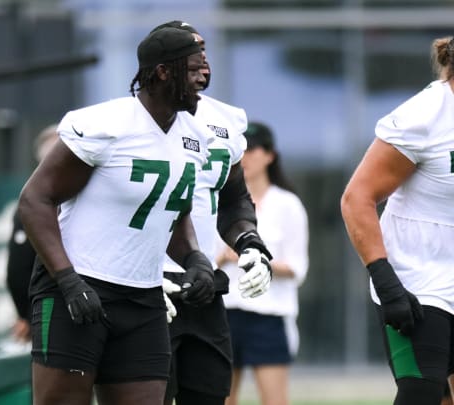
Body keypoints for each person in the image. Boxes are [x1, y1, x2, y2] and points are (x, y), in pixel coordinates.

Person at [17, 27, 224, 405]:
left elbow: (171, 210)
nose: (203, 79)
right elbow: (34, 201)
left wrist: (194, 258)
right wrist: (68, 280)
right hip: (77, 290)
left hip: (143, 297)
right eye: (195, 69)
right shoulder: (107, 124)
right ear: (163, 72)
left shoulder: (197, 136)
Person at [150, 21, 274, 405]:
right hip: (146, 285)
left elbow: (233, 195)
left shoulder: (227, 119)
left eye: (204, 52)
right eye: (192, 54)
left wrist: (249, 242)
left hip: (203, 282)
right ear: (163, 66)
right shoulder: (132, 120)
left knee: (209, 395)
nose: (203, 63)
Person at [340, 36, 454, 405]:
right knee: (422, 393)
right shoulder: (424, 116)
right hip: (419, 278)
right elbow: (357, 197)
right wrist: (387, 283)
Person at [216, 122, 309, 405]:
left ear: (270, 155)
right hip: (224, 311)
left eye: (253, 149)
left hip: (268, 315)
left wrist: (257, 259)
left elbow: (297, 267)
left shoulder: (288, 205)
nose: (246, 157)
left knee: (274, 400)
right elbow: (202, 257)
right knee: (221, 398)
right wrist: (224, 256)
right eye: (241, 150)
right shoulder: (219, 201)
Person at [5, 124, 58, 342]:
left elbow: (17, 271)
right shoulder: (34, 203)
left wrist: (26, 315)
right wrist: (26, 315)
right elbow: (18, 269)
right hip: (52, 309)